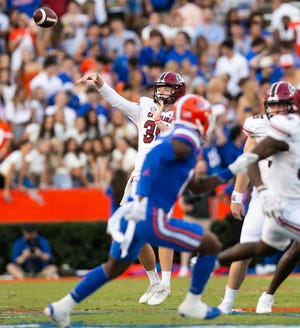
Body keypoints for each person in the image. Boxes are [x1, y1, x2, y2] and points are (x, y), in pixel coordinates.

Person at [44, 93, 243, 327]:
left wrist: (234, 169)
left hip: (137, 212)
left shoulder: (175, 136)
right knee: (211, 244)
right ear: (199, 118)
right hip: (150, 214)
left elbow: (197, 186)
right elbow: (155, 158)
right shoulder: (185, 137)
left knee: (113, 267)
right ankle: (192, 303)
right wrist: (142, 194)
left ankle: (61, 307)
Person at [72, 70, 186, 306]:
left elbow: (178, 142)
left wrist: (160, 122)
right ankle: (153, 280)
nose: (162, 91)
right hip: (139, 175)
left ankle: (165, 283)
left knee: (162, 227)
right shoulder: (145, 106)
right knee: (135, 230)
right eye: (160, 87)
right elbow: (117, 102)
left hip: (164, 176)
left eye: (167, 88)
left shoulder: (181, 113)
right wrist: (100, 82)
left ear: (177, 91)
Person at [218, 81, 300, 313]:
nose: (277, 111)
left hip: (295, 196)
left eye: (283, 106)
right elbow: (247, 161)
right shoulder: (258, 126)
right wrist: (237, 195)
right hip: (264, 197)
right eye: (273, 106)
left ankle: (268, 295)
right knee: (248, 248)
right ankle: (227, 303)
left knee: (295, 247)